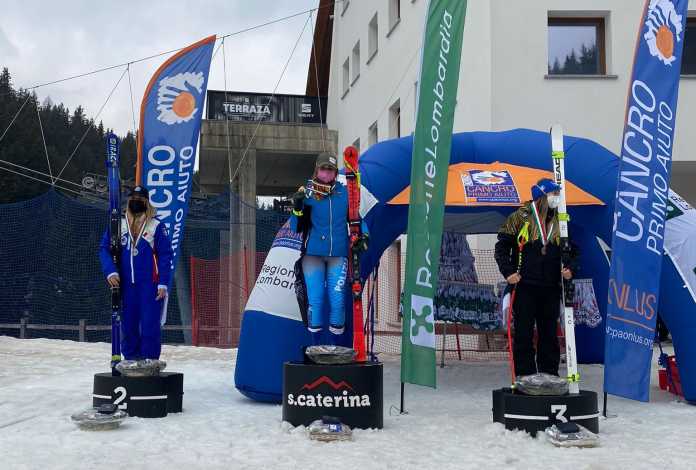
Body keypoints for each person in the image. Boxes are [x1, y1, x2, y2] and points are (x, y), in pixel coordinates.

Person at [494, 178, 578, 377]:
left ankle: (549, 374)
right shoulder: (520, 217)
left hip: (550, 286)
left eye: (558, 194)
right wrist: (508, 272)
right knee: (523, 332)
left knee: (549, 333)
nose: (557, 198)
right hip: (525, 286)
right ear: (542, 196)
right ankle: (525, 375)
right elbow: (501, 247)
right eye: (553, 194)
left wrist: (570, 268)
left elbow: (573, 251)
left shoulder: (561, 219)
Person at [290, 152, 368, 345]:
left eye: (331, 170)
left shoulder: (344, 193)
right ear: (317, 170)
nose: (327, 173)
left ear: (335, 173)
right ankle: (316, 347)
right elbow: (295, 227)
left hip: (338, 254)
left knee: (338, 300)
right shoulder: (307, 193)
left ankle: (334, 348)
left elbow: (356, 217)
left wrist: (364, 235)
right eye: (323, 169)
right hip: (313, 255)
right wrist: (297, 207)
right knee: (315, 301)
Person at [99, 186, 173, 361]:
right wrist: (110, 271)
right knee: (128, 325)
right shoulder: (118, 224)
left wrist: (163, 282)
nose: (136, 202)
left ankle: (150, 360)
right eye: (133, 199)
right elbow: (104, 249)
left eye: (140, 199)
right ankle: (131, 359)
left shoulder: (156, 225)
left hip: (150, 285)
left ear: (146, 202)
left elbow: (165, 255)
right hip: (126, 285)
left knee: (150, 325)